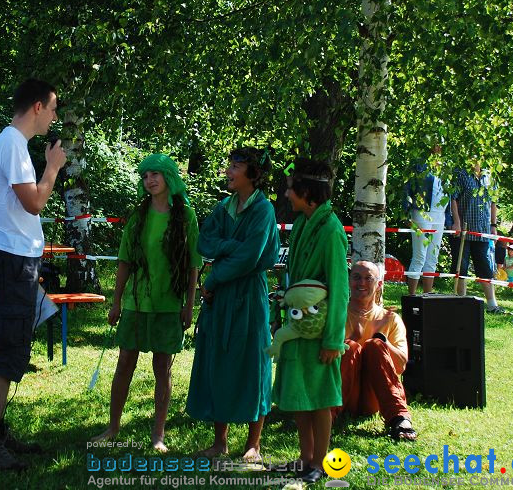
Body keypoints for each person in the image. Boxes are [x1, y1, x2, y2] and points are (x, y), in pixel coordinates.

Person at [0, 78, 66, 471]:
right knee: (7, 347)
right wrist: (53, 168)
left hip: (15, 258)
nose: (56, 115)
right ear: (38, 107)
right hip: (9, 258)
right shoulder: (11, 142)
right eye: (54, 107)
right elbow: (33, 203)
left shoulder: (13, 144)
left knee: (12, 343)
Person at [90, 154, 202, 453]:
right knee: (125, 362)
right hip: (136, 304)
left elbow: (193, 265)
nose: (149, 180)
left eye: (155, 174)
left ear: (169, 178)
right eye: (144, 176)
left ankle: (158, 435)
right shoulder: (138, 215)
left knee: (162, 368)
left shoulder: (185, 216)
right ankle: (113, 428)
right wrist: (116, 303)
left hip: (168, 304)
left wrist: (189, 305)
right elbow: (124, 261)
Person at [186, 147, 279, 463]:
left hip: (248, 296)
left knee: (253, 363)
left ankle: (254, 443)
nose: (228, 170)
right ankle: (220, 441)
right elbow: (204, 241)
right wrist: (229, 247)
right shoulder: (223, 208)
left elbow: (250, 257)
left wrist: (211, 280)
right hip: (222, 299)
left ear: (252, 173)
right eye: (229, 165)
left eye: (235, 166)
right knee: (218, 360)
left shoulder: (263, 211)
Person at [271, 158, 348, 484]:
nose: (287, 195)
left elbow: (340, 289)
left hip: (319, 333)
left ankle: (320, 462)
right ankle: (305, 459)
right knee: (299, 397)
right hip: (299, 327)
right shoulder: (303, 222)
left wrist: (333, 339)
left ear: (309, 194)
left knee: (318, 400)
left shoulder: (330, 231)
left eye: (291, 189)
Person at [335, 261, 417, 441]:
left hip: (376, 396)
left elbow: (401, 365)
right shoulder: (336, 314)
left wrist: (383, 343)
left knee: (375, 345)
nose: (361, 283)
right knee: (350, 346)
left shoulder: (391, 319)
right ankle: (327, 415)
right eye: (356, 277)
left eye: (368, 278)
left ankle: (399, 418)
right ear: (349, 281)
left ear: (379, 284)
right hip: (342, 395)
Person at [450, 162, 508, 315]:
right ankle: (459, 303)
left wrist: (493, 225)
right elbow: (453, 198)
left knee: (486, 269)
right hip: (464, 230)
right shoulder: (460, 173)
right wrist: (456, 222)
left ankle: (492, 305)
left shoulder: (489, 176)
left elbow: (493, 202)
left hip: (483, 231)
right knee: (461, 269)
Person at [402, 157, 446, 294]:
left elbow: (450, 193)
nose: (439, 147)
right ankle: (412, 296)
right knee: (419, 255)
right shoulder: (419, 163)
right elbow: (407, 186)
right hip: (421, 213)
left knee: (432, 257)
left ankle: (427, 295)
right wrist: (405, 212)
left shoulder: (447, 165)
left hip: (440, 215)